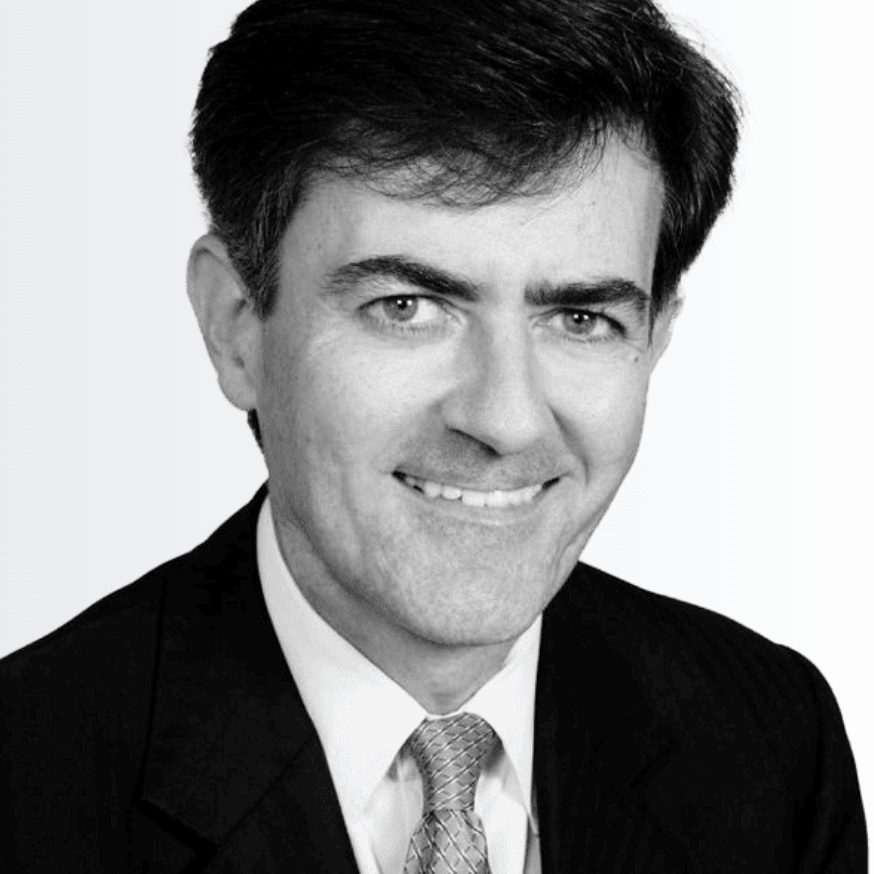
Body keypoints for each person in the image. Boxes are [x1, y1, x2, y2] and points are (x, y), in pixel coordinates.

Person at [0, 0, 866, 871]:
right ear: (236, 328)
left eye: (580, 318)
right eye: (407, 307)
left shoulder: (773, 742)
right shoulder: (29, 783)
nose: (506, 419)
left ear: (655, 340)